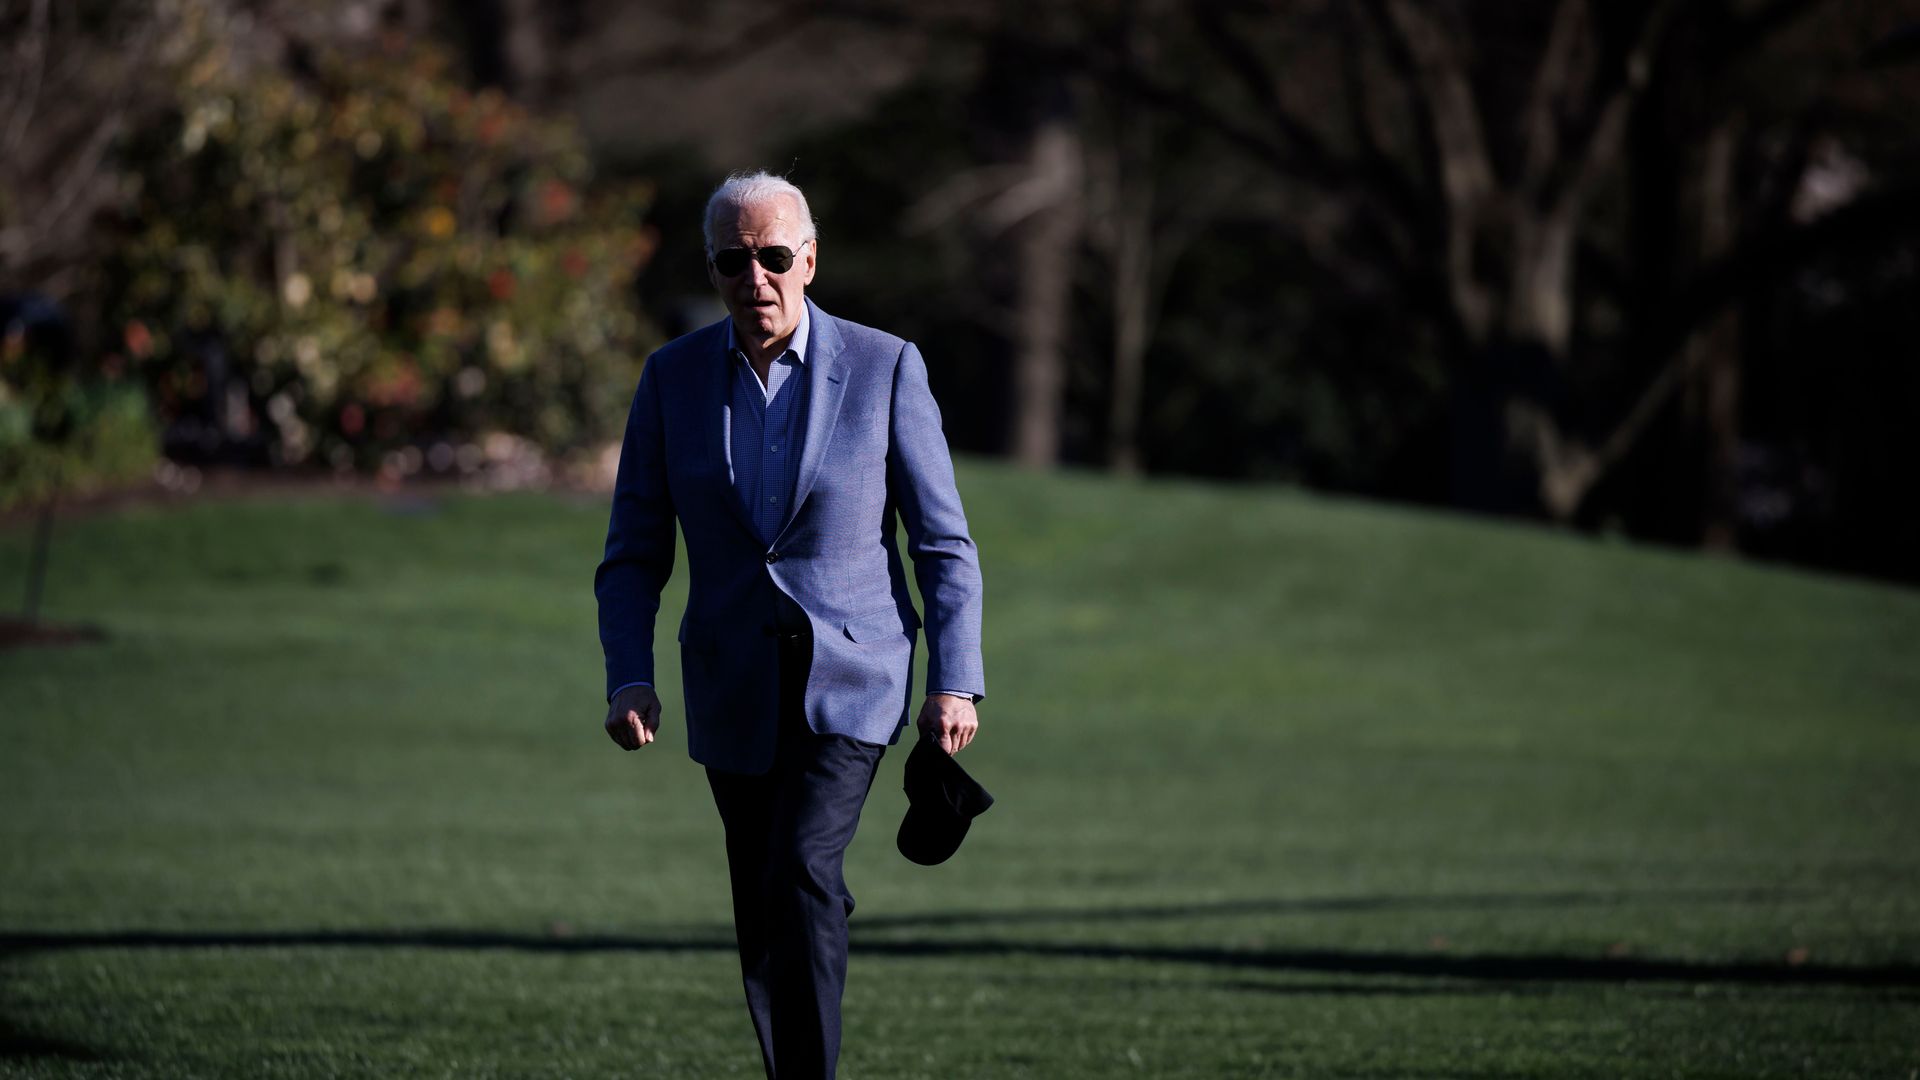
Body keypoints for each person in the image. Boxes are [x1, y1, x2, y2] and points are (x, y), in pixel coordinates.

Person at [593, 170, 986, 1080]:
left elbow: (943, 544)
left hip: (852, 680)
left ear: (809, 261)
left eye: (774, 257)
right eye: (734, 260)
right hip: (730, 684)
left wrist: (955, 678)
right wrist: (628, 673)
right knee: (766, 899)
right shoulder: (671, 379)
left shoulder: (887, 366)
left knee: (802, 865)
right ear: (714, 267)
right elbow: (632, 551)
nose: (755, 277)